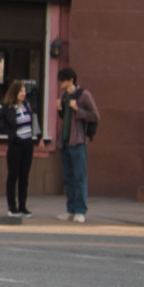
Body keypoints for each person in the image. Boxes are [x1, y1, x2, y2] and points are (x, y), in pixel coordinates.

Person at [57, 68, 99, 223]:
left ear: (71, 80)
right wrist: (60, 110)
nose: (60, 83)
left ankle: (81, 210)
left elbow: (95, 116)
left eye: (62, 80)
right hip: (65, 140)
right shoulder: (63, 96)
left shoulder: (84, 95)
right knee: (68, 177)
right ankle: (71, 209)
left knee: (79, 176)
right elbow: (65, 118)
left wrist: (78, 109)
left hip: (78, 140)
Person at [0, 78, 38, 216]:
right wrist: (8, 132)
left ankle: (23, 207)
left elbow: (34, 120)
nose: (24, 93)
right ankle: (12, 207)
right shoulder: (8, 108)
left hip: (28, 145)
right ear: (15, 92)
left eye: (24, 91)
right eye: (21, 91)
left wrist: (38, 136)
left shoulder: (27, 105)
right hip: (16, 146)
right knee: (13, 176)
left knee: (24, 177)